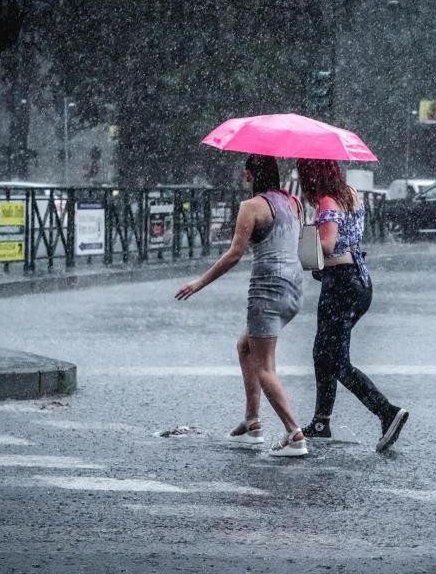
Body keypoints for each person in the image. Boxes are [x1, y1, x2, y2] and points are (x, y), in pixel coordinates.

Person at [175, 154, 307, 457]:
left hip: (267, 290)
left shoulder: (251, 207)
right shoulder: (294, 203)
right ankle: (251, 423)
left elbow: (234, 254)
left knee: (264, 367)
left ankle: (294, 433)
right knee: (245, 347)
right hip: (294, 289)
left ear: (249, 175)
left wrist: (198, 283)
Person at [296, 158, 409, 452]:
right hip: (359, 282)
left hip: (341, 285)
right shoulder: (350, 193)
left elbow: (328, 245)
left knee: (336, 360)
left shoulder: (327, 201)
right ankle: (321, 422)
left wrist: (303, 237)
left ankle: (386, 412)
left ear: (311, 175)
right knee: (323, 352)